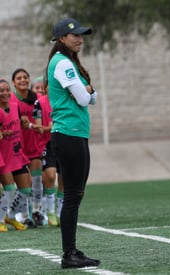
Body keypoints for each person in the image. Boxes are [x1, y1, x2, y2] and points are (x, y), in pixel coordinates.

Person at [45, 18, 99, 269]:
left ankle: (72, 251)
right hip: (69, 134)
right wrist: (87, 90)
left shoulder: (69, 63)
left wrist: (87, 91)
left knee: (75, 195)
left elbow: (91, 97)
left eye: (81, 35)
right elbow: (83, 96)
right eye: (75, 35)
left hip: (74, 134)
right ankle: (69, 254)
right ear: (61, 39)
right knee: (72, 195)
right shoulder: (62, 63)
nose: (80, 39)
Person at [11, 68, 45, 228]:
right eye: (19, 78)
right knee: (25, 182)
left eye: (25, 77)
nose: (23, 80)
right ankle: (24, 216)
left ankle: (37, 211)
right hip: (18, 146)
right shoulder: (11, 99)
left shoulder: (37, 98)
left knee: (37, 180)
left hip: (34, 142)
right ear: (14, 82)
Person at [0, 79, 32, 232]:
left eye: (7, 90)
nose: (5, 93)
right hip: (3, 155)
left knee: (26, 189)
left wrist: (24, 121)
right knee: (8, 188)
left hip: (17, 153)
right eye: (1, 90)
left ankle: (11, 216)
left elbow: (20, 122)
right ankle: (0, 219)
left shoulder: (15, 106)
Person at [32, 81, 59, 226]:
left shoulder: (62, 99)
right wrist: (48, 128)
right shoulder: (39, 103)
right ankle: (50, 212)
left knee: (64, 179)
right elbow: (38, 128)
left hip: (63, 141)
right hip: (47, 144)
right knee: (50, 175)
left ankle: (60, 213)